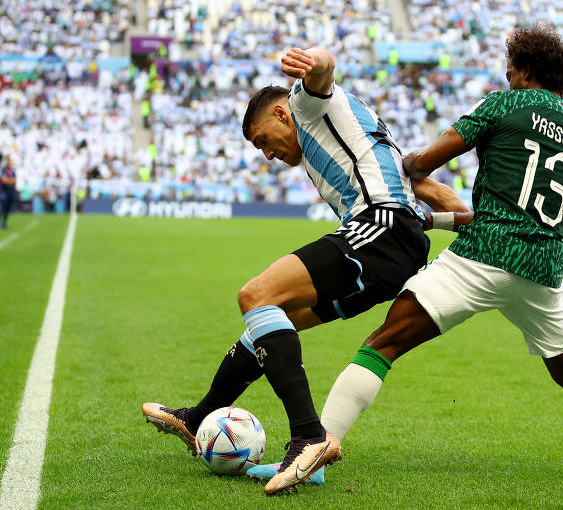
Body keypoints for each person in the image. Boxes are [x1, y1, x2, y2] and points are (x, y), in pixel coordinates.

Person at [314, 24, 563, 487]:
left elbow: (419, 166)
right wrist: (436, 221)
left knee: (382, 345)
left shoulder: (505, 103)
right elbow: (523, 215)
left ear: (528, 70)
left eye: (511, 69)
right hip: (544, 269)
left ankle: (315, 451)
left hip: (483, 256)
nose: (508, 76)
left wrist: (399, 178)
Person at [142, 45, 471, 495]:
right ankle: (197, 418)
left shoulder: (305, 105)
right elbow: (429, 193)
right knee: (271, 325)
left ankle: (309, 436)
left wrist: (314, 61)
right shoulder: (349, 135)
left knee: (255, 296)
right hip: (395, 246)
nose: (267, 155)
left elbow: (324, 69)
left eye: (262, 141)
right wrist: (459, 216)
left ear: (281, 113)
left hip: (379, 228)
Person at [1, 155, 16, 229]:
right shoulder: (3, 170)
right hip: (4, 193)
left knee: (7, 209)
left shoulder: (12, 171)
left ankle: (4, 222)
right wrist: (10, 180)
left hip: (11, 192)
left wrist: (8, 180)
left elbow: (15, 181)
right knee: (2, 208)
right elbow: (4, 180)